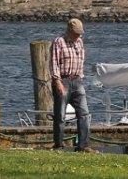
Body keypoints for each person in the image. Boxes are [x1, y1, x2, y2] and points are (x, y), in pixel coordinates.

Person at [50, 17, 93, 153]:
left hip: (77, 81)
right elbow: (53, 63)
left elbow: (81, 59)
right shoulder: (59, 42)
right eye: (76, 33)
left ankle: (83, 146)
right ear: (69, 30)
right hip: (63, 80)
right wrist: (57, 82)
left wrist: (80, 75)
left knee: (84, 114)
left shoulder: (79, 42)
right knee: (60, 116)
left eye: (80, 33)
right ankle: (59, 145)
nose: (78, 35)